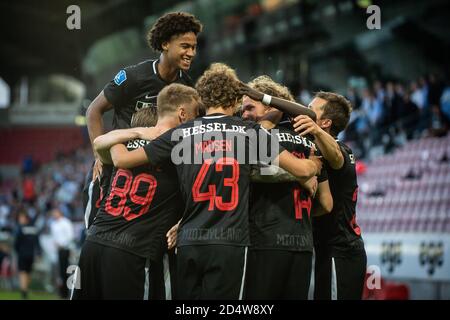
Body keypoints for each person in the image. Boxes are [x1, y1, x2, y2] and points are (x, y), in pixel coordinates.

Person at [105, 63, 322, 299]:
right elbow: (301, 169)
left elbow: (123, 160)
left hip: (187, 241)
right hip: (229, 244)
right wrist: (315, 165)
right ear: (235, 101)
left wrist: (125, 134)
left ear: (203, 99)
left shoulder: (182, 132)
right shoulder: (249, 131)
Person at [71, 84, 201, 300]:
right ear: (182, 114)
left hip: (93, 245)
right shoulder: (180, 146)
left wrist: (136, 132)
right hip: (132, 251)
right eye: (196, 114)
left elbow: (99, 143)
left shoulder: (122, 141)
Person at [83, 12, 203, 229]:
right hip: (117, 170)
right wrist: (98, 156)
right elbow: (93, 110)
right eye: (185, 46)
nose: (191, 53)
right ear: (165, 43)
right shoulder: (133, 76)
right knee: (98, 232)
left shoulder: (187, 87)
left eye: (194, 47)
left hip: (155, 175)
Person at [240, 76, 332, 299]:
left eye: (249, 107)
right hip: (302, 244)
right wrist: (303, 173)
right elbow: (326, 204)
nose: (243, 114)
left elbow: (245, 174)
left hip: (264, 241)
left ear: (270, 107)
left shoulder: (258, 137)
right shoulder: (308, 138)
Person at [291, 92, 367, 300]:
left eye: (311, 110)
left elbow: (335, 156)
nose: (304, 111)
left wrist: (314, 130)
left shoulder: (340, 150)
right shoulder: (313, 147)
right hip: (326, 250)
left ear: (325, 122)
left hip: (341, 251)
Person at [13, 211, 40, 299]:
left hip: (22, 254)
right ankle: (25, 289)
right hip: (31, 254)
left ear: (25, 218)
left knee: (22, 272)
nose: (20, 220)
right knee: (28, 272)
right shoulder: (34, 229)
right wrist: (38, 253)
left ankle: (23, 291)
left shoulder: (20, 229)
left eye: (21, 218)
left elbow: (16, 243)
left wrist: (17, 251)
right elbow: (37, 242)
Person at [49, 208, 74, 299]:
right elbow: (54, 237)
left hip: (65, 249)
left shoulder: (66, 222)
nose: (54, 215)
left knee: (65, 270)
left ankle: (66, 292)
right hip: (58, 250)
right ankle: (61, 292)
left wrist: (62, 244)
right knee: (60, 271)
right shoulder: (53, 224)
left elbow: (70, 236)